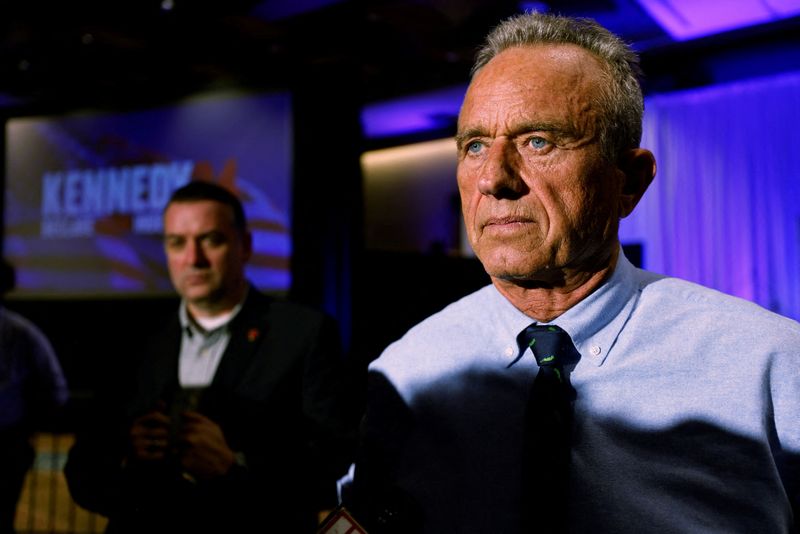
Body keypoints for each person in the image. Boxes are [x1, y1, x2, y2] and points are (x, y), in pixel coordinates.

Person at [344, 12, 800, 533]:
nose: (494, 177)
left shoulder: (770, 367)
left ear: (628, 180)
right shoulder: (408, 370)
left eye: (538, 141)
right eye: (474, 145)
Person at [65, 180, 357, 533]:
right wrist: (127, 457)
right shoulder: (133, 340)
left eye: (211, 240)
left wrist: (233, 469)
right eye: (177, 243)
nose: (194, 259)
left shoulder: (303, 333)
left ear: (245, 246)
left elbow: (335, 468)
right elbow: (82, 472)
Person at [0, 259, 68, 534]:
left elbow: (54, 390)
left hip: (7, 444)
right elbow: (56, 391)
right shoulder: (22, 332)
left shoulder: (21, 334)